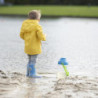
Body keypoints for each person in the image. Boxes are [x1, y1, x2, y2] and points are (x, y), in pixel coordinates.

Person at [20, 10, 46, 78]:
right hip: (35, 47)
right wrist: (44, 37)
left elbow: (21, 35)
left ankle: (28, 73)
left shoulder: (24, 24)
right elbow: (41, 36)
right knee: (33, 61)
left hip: (28, 46)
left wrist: (27, 39)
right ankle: (32, 74)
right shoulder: (37, 26)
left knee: (29, 60)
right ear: (38, 19)